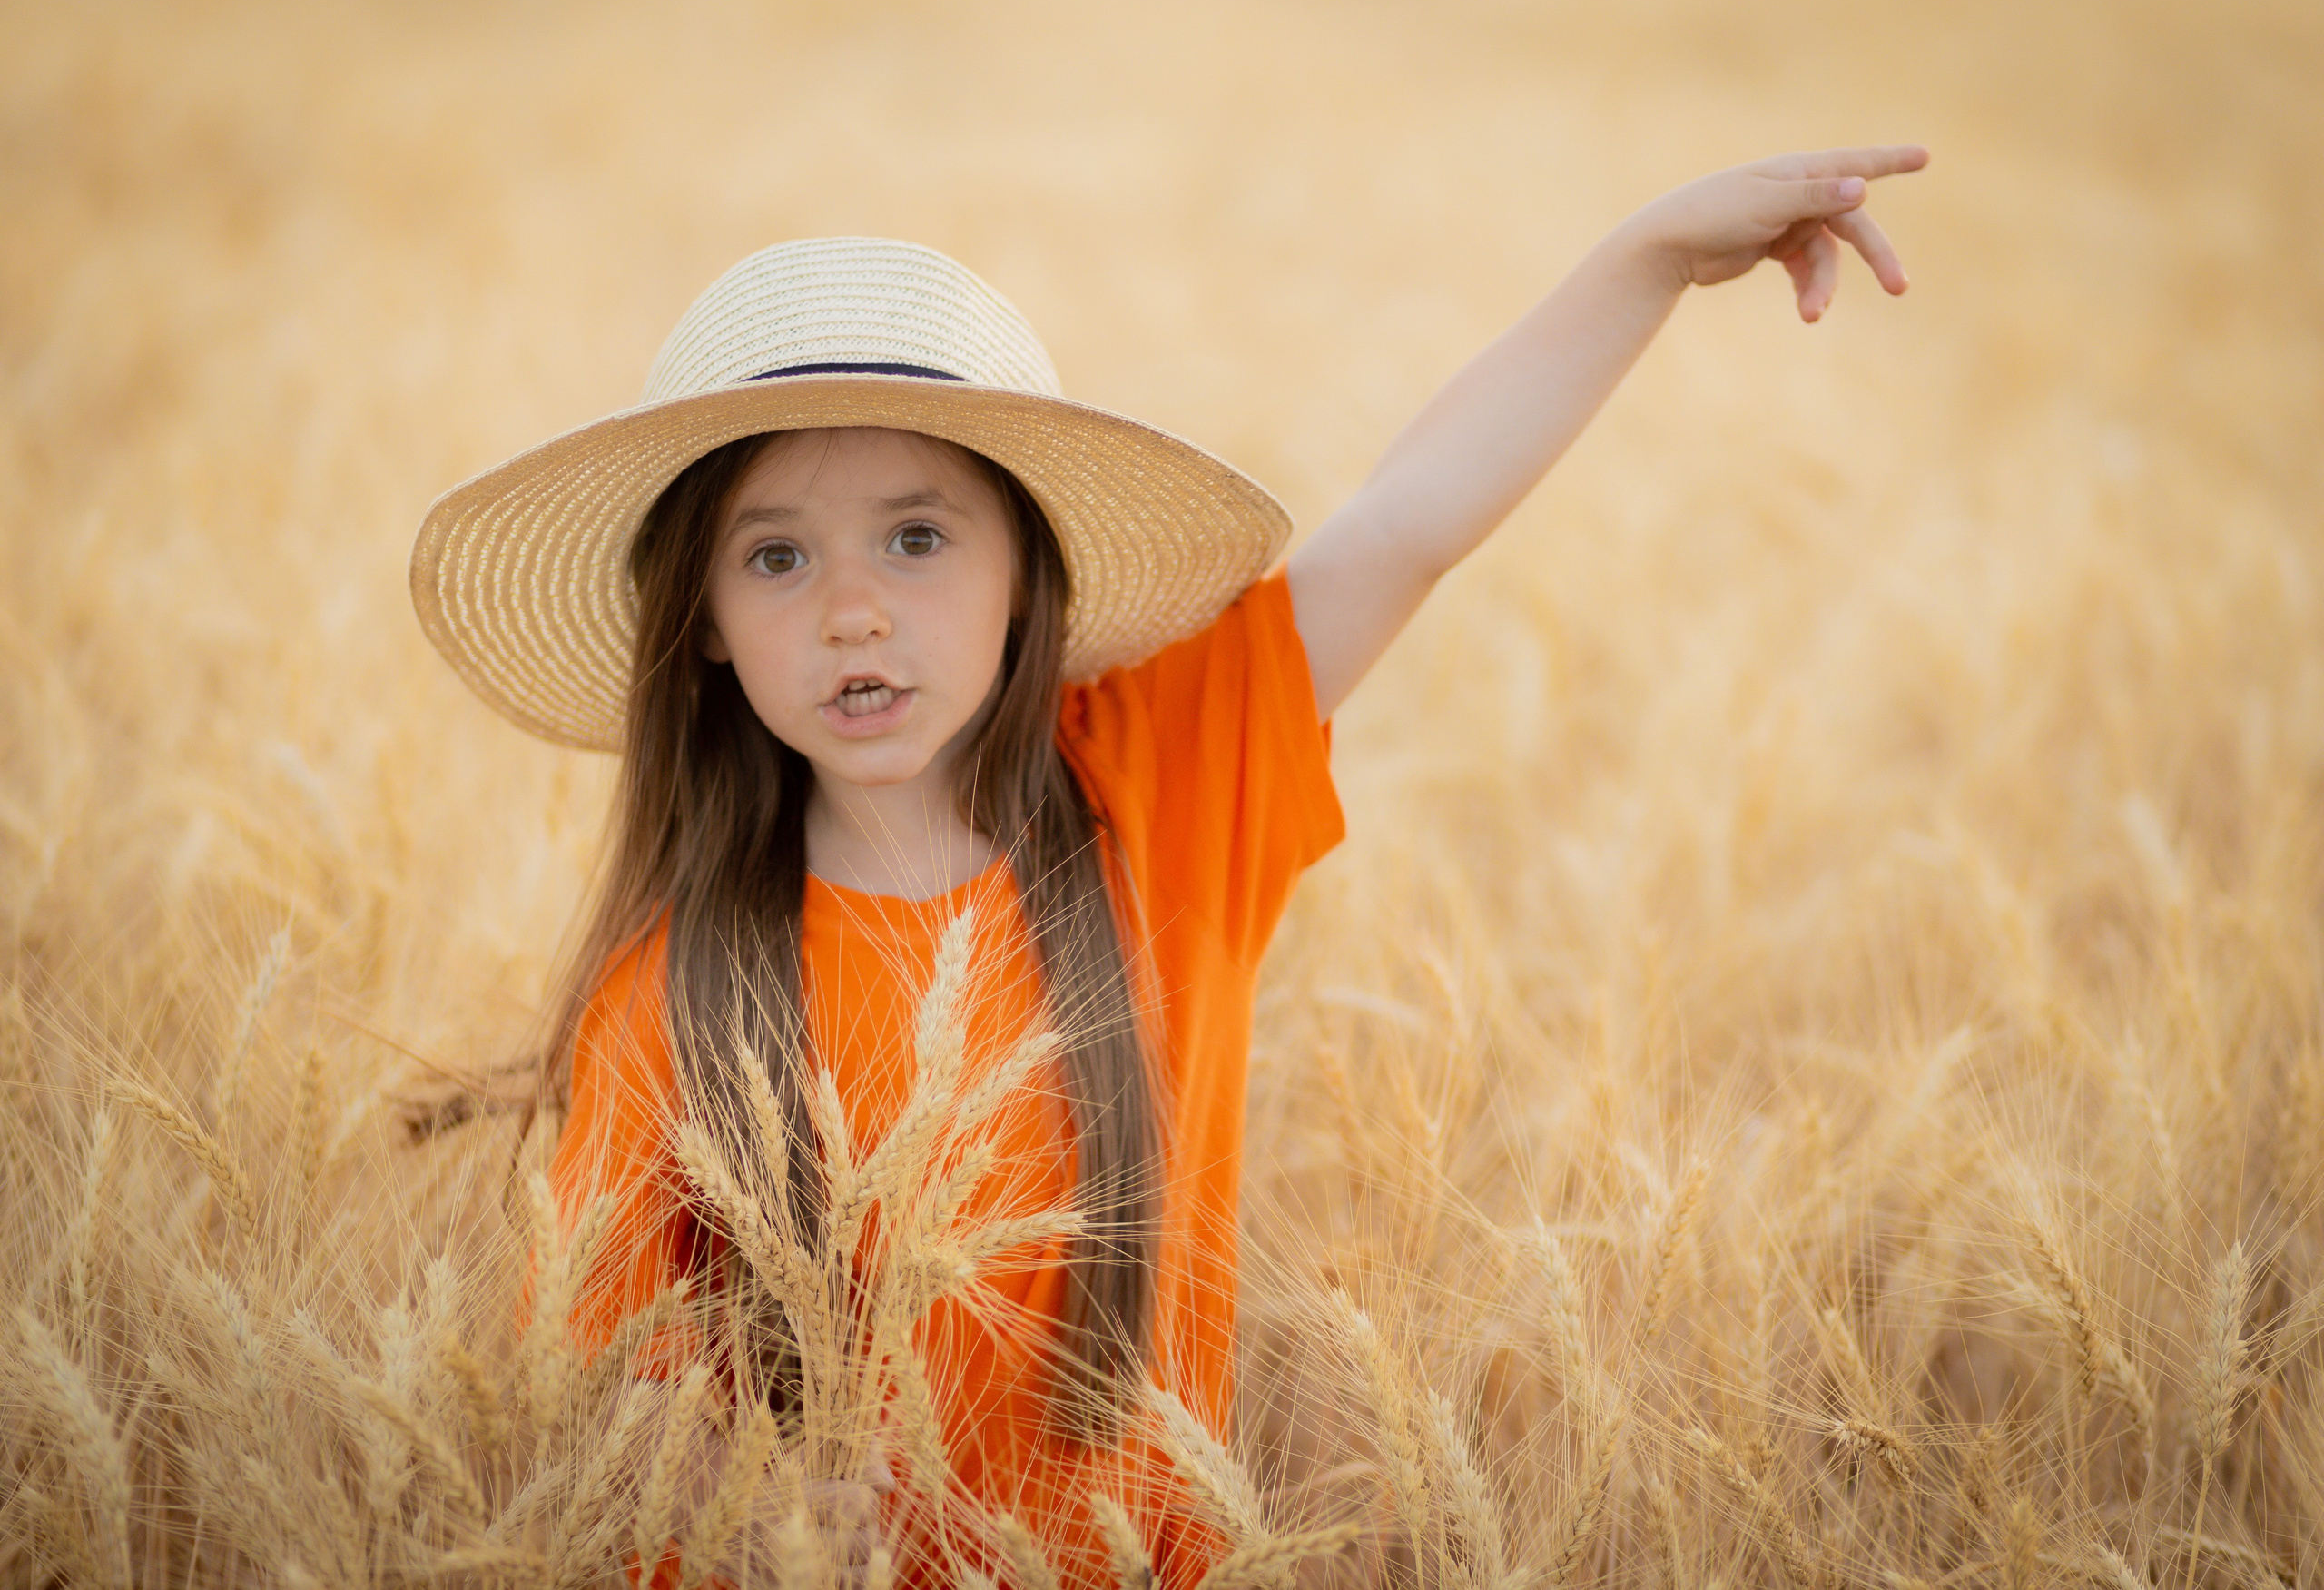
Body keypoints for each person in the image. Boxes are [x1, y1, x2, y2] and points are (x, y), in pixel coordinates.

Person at [409, 146, 1925, 1589]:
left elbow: (1410, 520)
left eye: (918, 538)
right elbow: (603, 1396)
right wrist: (739, 1506)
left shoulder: (1158, 791)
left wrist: (1649, 258)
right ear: (703, 621)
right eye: (777, 555)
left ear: (1029, 575)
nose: (852, 610)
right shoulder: (674, 991)